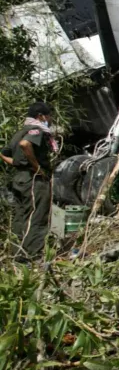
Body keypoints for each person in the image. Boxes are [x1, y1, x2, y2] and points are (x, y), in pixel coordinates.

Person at [1, 102, 57, 259]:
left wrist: (17, 164)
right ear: (41, 116)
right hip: (33, 180)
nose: (50, 119)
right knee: (37, 216)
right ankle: (33, 255)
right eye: (49, 115)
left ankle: (17, 254)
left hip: (19, 179)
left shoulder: (20, 131)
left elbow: (3, 153)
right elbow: (25, 145)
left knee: (21, 216)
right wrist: (37, 167)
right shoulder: (36, 130)